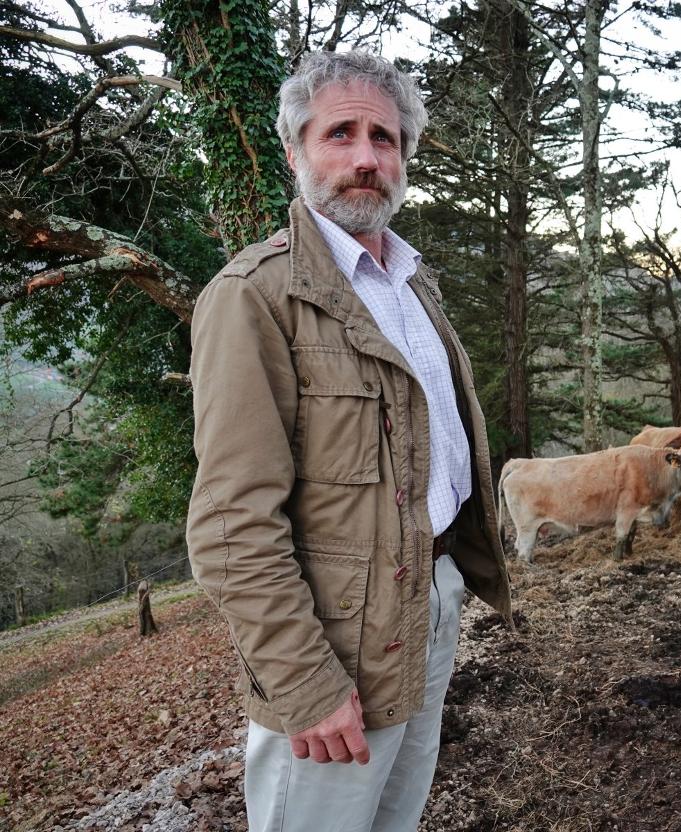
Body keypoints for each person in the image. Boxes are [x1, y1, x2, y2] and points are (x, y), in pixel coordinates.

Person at [185, 50, 511, 831]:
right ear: (295, 151)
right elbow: (231, 526)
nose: (367, 158)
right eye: (341, 134)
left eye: (386, 138)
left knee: (397, 818)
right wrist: (305, 684)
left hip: (429, 603)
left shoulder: (411, 281)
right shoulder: (254, 298)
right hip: (335, 651)